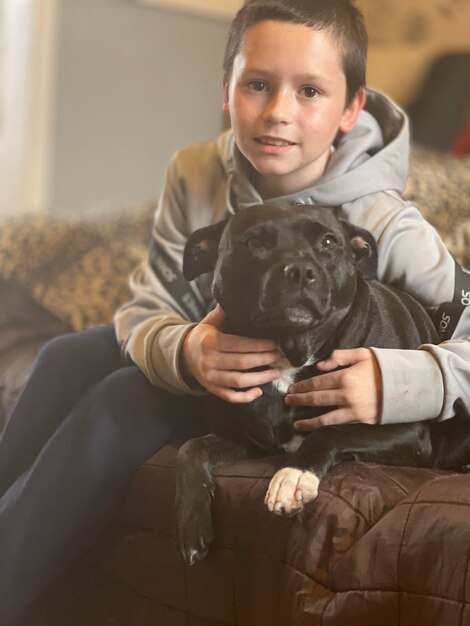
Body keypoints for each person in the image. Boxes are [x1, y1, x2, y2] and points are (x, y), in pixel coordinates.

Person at [0, 0, 469, 622]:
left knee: (119, 397)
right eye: (257, 85)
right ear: (226, 90)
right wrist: (188, 350)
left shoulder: (386, 224)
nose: (278, 112)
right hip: (210, 357)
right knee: (64, 354)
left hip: (284, 384)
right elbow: (149, 308)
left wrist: (395, 382)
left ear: (352, 109)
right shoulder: (195, 173)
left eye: (309, 91)